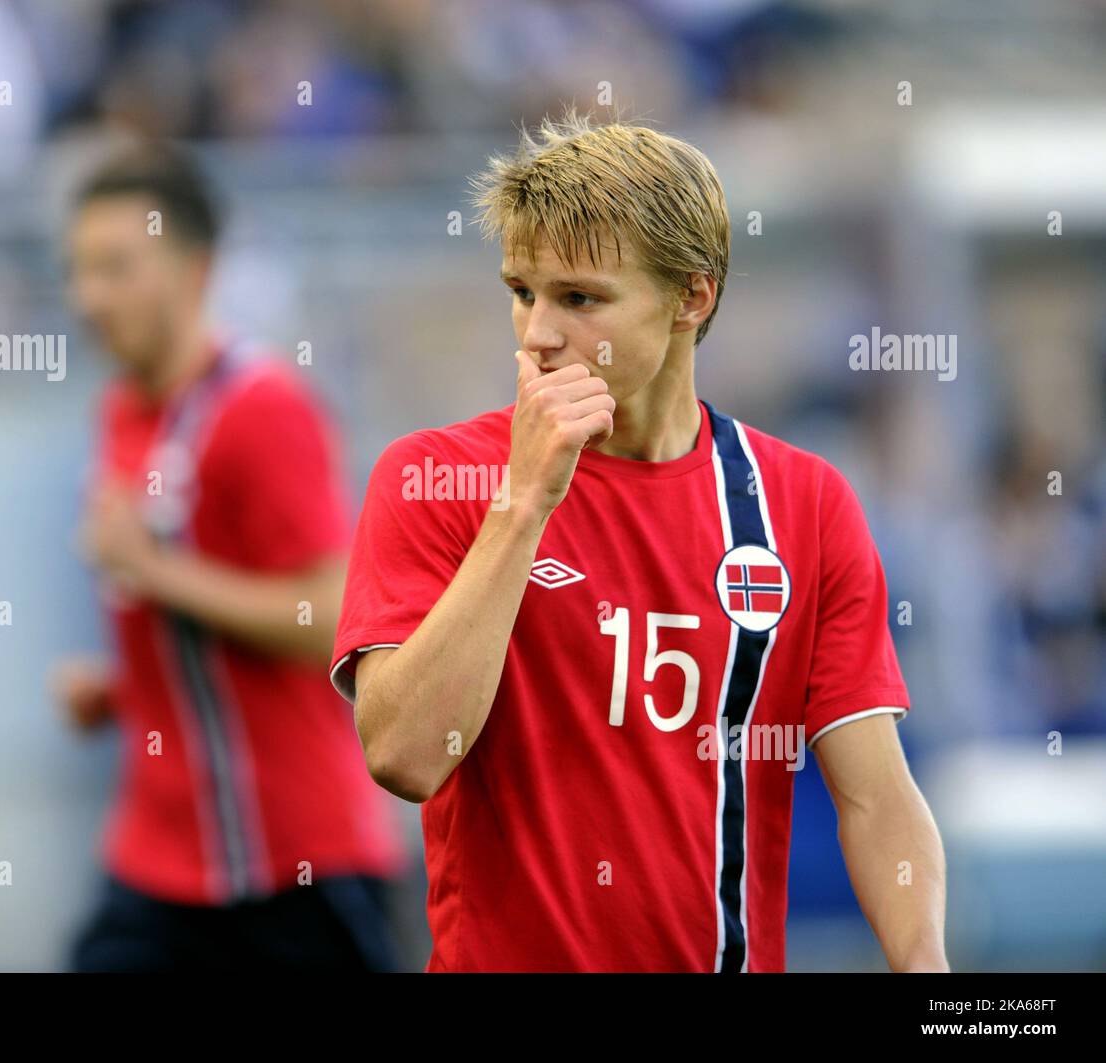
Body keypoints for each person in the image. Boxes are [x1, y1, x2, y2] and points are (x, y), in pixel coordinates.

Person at [329, 112, 948, 972]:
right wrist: (523, 506)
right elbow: (404, 755)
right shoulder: (436, 476)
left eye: (579, 298)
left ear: (691, 296)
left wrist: (930, 977)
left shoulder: (800, 503)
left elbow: (876, 796)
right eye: (521, 291)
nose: (538, 332)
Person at [52, 145, 405, 971]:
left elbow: (332, 619)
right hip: (157, 860)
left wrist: (154, 569)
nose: (87, 296)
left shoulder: (264, 408)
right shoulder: (119, 411)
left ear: (195, 269)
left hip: (291, 861)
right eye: (79, 269)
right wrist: (121, 687)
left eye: (115, 268)